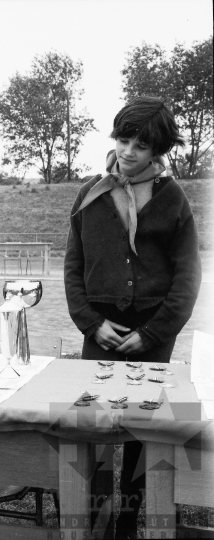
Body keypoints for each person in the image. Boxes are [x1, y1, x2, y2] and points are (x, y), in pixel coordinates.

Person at [64, 96, 202, 539]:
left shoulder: (173, 199)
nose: (128, 152)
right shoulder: (89, 194)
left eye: (141, 146)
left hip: (152, 335)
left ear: (158, 150)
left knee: (145, 431)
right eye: (123, 140)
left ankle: (129, 517)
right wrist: (91, 323)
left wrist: (152, 334)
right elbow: (72, 268)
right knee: (96, 426)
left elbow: (187, 278)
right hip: (99, 334)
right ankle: (97, 512)